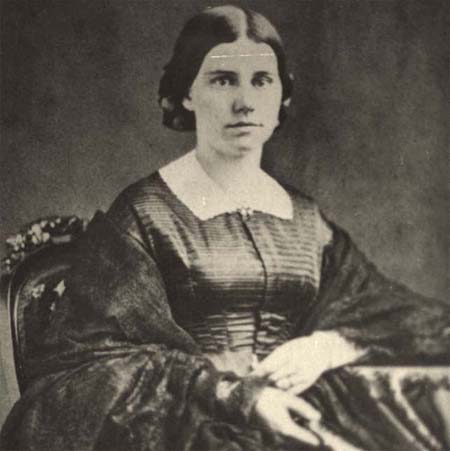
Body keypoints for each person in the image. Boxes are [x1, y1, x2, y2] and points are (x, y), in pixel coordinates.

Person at [1, 5, 449, 451]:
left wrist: (332, 345)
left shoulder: (304, 217)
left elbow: (404, 318)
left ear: (281, 96)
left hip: (300, 410)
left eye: (262, 80)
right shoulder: (144, 213)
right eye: (223, 80)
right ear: (187, 94)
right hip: (185, 422)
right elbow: (97, 359)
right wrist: (234, 395)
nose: (245, 102)